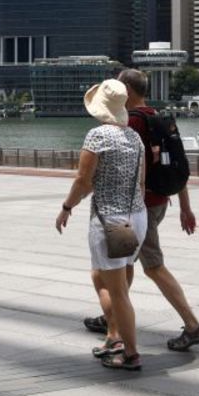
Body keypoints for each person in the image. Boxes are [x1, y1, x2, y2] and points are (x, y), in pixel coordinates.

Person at [83, 68, 199, 351]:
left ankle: (192, 325)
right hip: (160, 201)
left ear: (126, 89)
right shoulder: (158, 116)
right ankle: (112, 317)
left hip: (139, 208)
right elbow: (176, 165)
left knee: (152, 267)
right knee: (124, 264)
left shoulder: (134, 124)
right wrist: (185, 207)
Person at [55, 78, 147, 371]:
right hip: (136, 217)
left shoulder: (97, 136)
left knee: (117, 291)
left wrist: (67, 207)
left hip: (110, 220)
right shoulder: (135, 138)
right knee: (100, 277)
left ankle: (128, 351)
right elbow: (141, 183)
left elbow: (83, 180)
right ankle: (114, 336)